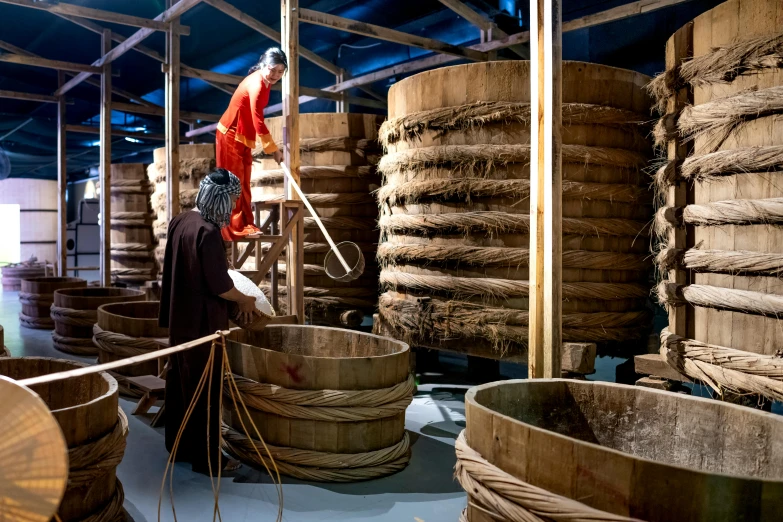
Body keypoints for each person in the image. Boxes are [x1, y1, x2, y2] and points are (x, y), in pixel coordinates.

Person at [158, 167, 257, 473]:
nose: (233, 209)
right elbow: (220, 286)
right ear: (220, 200)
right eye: (231, 202)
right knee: (206, 392)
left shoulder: (180, 221)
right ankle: (208, 460)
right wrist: (246, 299)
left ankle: (178, 447)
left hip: (180, 321)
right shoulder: (208, 232)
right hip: (203, 327)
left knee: (180, 384)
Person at [216, 47, 287, 241]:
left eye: (281, 72)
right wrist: (273, 150)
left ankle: (246, 223)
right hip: (230, 133)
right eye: (273, 70)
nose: (276, 75)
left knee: (245, 180)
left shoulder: (265, 81)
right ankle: (232, 227)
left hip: (243, 134)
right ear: (264, 66)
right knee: (233, 182)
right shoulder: (257, 84)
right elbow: (258, 120)